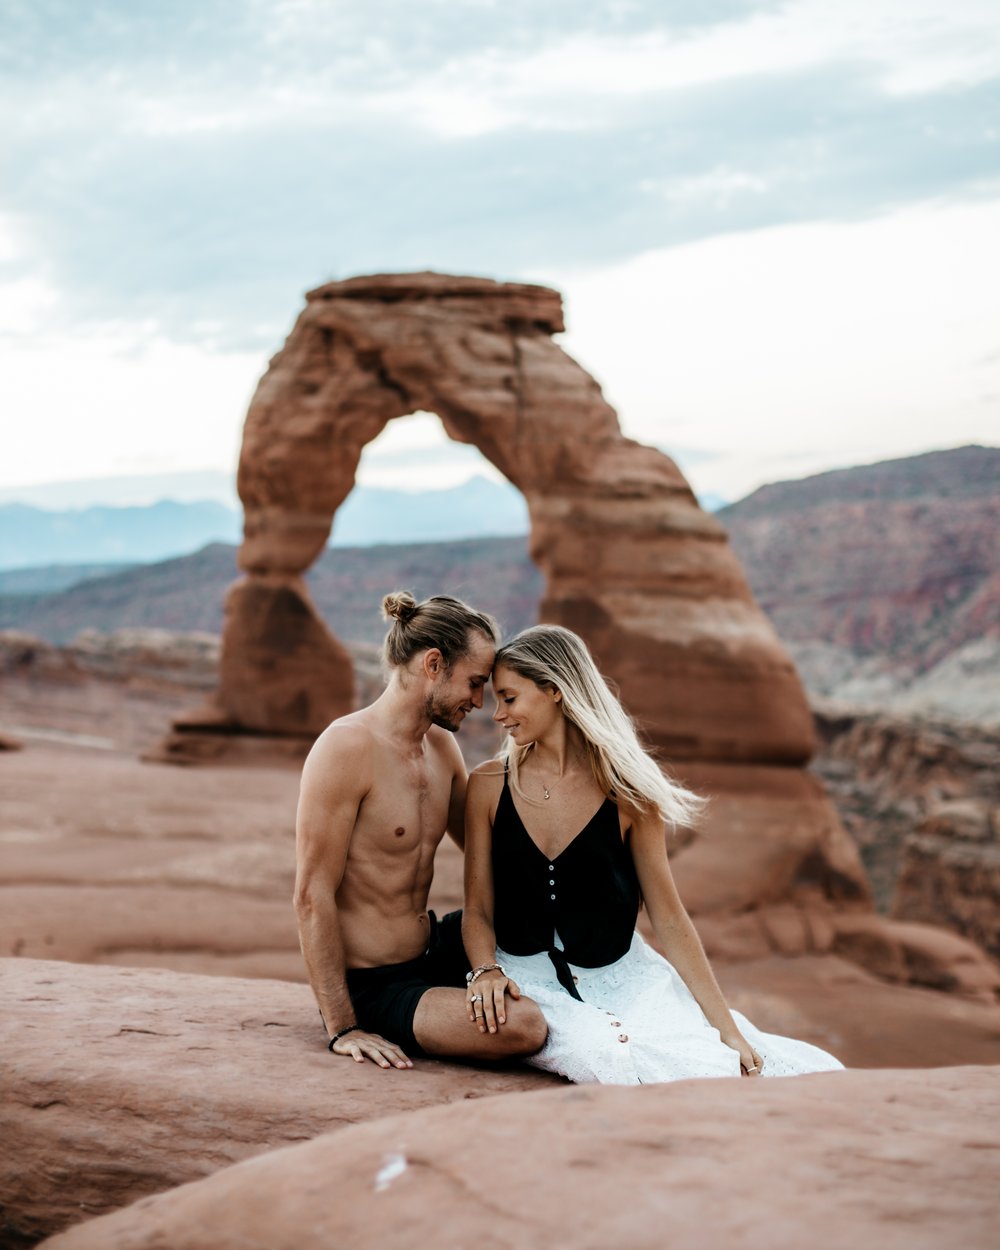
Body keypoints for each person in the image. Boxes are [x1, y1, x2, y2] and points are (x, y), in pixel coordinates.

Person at [463, 624, 844, 1085]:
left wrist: (725, 1029)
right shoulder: (487, 786)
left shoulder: (629, 794)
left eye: (509, 698)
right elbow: (478, 907)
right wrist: (485, 971)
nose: (497, 714)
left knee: (726, 1064)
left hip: (629, 981)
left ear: (555, 691)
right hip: (532, 986)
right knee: (607, 1056)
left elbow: (668, 915)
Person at [294, 591, 548, 1069]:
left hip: (435, 948)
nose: (479, 701)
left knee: (551, 913)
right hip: (377, 984)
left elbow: (488, 852)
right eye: (474, 684)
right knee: (525, 1026)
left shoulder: (441, 748)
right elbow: (312, 894)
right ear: (434, 663)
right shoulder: (346, 747)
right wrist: (343, 1027)